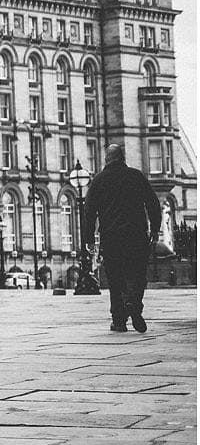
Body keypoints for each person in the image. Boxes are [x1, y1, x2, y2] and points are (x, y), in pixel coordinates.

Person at [83, 142, 163, 334]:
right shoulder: (136, 176)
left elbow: (89, 212)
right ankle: (134, 305)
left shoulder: (99, 180)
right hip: (136, 235)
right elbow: (153, 203)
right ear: (122, 158)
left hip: (111, 238)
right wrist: (155, 229)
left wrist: (89, 239)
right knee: (138, 276)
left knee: (115, 278)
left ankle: (119, 320)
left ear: (106, 159)